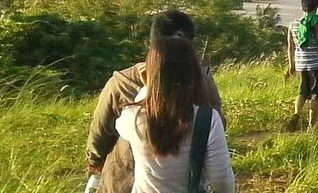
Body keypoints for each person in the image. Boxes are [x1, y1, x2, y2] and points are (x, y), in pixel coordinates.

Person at [86, 11, 225, 193]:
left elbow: (100, 136)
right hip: (186, 183)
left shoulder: (122, 82)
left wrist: (95, 169)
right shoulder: (203, 83)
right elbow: (218, 130)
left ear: (151, 45)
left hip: (122, 181)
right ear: (190, 48)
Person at [116, 35, 237, 192]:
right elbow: (221, 182)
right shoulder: (207, 120)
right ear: (194, 75)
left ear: (148, 76)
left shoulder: (132, 117)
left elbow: (122, 124)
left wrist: (150, 86)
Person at [285, 0, 318, 129]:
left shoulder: (292, 24)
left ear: (302, 7)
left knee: (302, 92)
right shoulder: (317, 23)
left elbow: (290, 47)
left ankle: (296, 113)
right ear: (316, 7)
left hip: (301, 64)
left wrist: (291, 64)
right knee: (316, 95)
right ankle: (312, 124)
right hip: (316, 64)